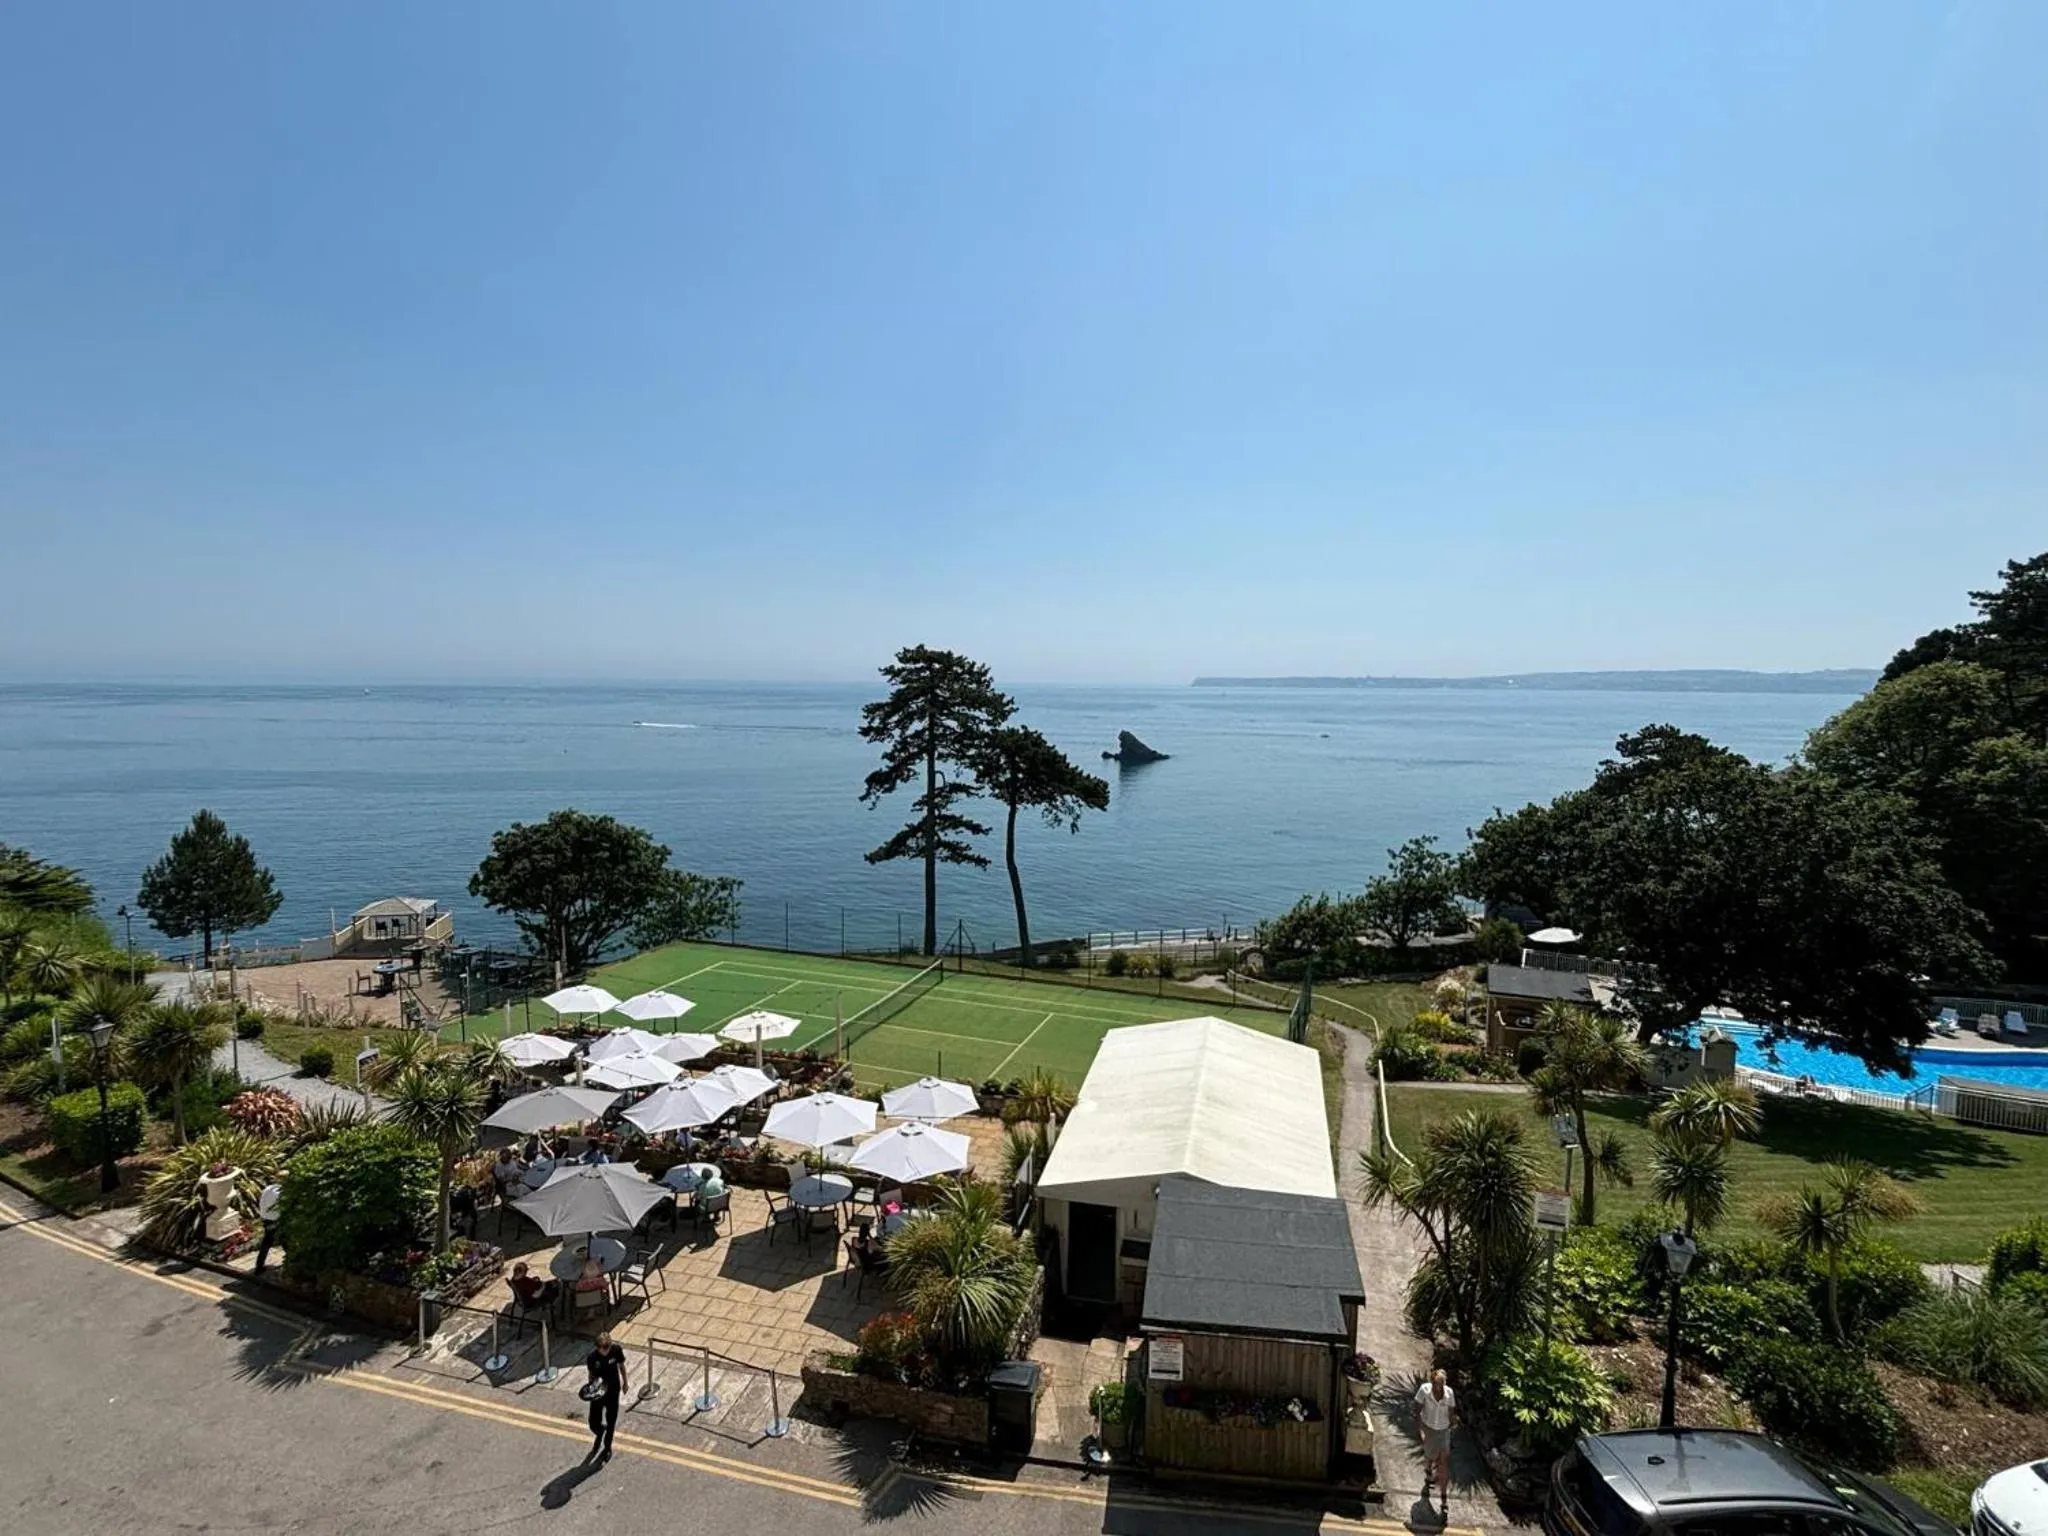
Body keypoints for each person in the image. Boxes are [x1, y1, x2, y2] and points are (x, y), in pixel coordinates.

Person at [584, 1330, 629, 1463]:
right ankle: (599, 1431)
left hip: (613, 1391)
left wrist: (625, 1382)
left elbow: (621, 1366)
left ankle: (607, 1447)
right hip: (598, 1393)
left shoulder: (616, 1350)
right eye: (601, 1348)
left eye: (606, 1347)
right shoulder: (592, 1358)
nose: (604, 1350)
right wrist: (590, 1389)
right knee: (593, 1422)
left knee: (611, 1420)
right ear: (597, 1347)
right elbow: (591, 1375)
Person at [1414, 1368, 1457, 1504]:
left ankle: (1443, 1496)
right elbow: (1417, 1410)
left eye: (1442, 1384)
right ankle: (1428, 1471)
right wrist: (1420, 1429)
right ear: (1432, 1383)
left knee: (1443, 1462)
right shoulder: (1424, 1391)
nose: (1439, 1388)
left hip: (1443, 1430)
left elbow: (1451, 1413)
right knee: (1430, 1457)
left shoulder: (1449, 1393)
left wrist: (1453, 1423)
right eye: (1436, 1384)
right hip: (1429, 1428)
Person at [253, 1178, 283, 1273]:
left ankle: (259, 1265)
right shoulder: (280, 1192)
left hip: (266, 1218)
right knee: (284, 1239)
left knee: (267, 1242)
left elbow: (262, 1203)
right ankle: (292, 1263)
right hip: (275, 1219)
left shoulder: (267, 1189)